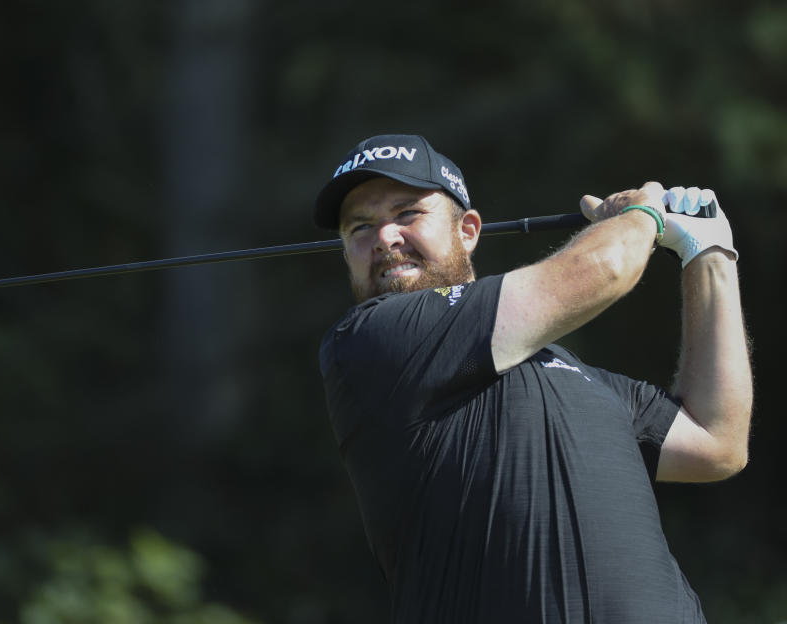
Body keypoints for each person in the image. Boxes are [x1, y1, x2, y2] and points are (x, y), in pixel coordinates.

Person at [314, 134, 752, 623]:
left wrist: (710, 254)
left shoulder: (572, 374)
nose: (385, 238)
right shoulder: (373, 340)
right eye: (360, 226)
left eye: (407, 214)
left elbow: (716, 442)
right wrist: (642, 213)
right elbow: (604, 267)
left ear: (468, 231)